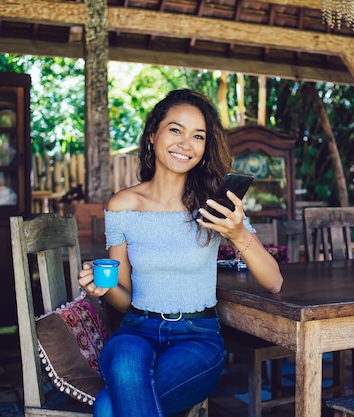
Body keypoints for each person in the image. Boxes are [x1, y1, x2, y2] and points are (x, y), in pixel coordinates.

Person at [78, 88, 283, 417]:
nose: (186, 143)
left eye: (198, 136)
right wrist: (103, 287)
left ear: (204, 148)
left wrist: (237, 231)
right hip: (135, 330)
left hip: (197, 338)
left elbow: (273, 281)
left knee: (107, 404)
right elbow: (123, 298)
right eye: (175, 129)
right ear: (152, 135)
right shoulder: (123, 205)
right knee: (125, 364)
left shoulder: (216, 206)